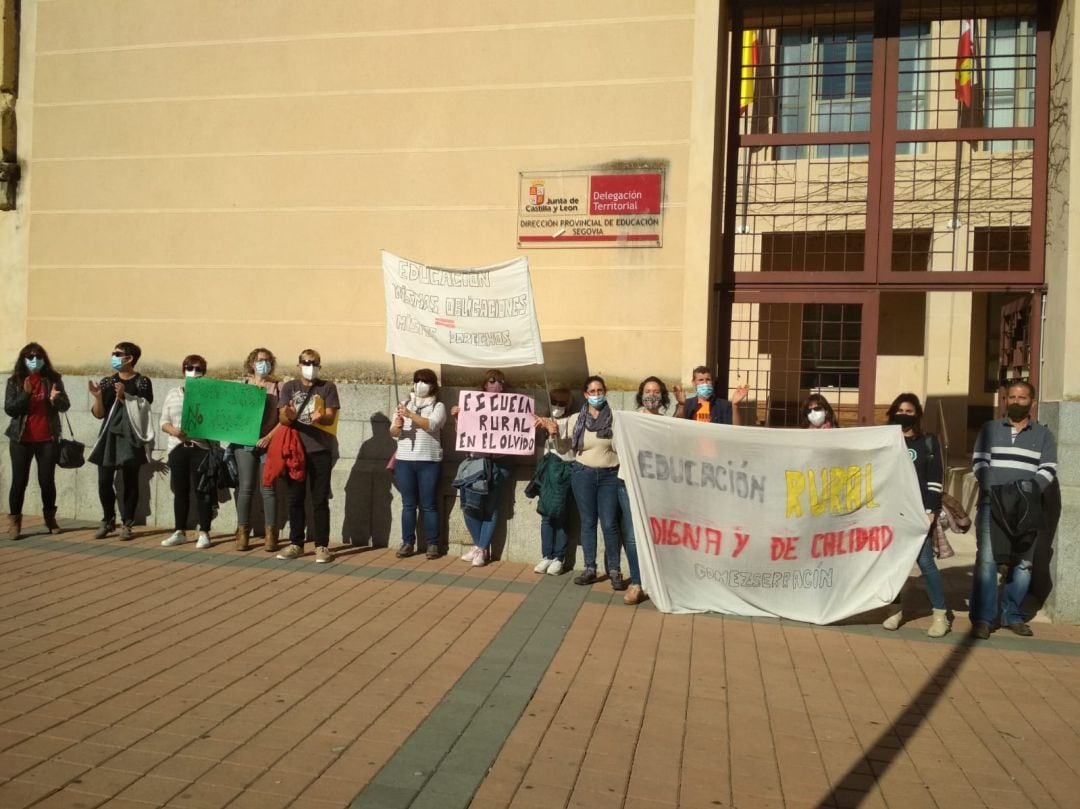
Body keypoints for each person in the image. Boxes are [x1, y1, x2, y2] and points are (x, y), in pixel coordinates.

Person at [969, 381, 1058, 639]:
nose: (1017, 402)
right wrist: (998, 491)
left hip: (1027, 509)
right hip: (991, 505)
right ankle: (983, 620)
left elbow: (1048, 468)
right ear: (1005, 401)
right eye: (1012, 397)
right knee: (987, 561)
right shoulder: (990, 429)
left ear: (1032, 402)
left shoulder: (1043, 435)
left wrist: (1025, 493)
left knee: (1023, 565)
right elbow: (979, 462)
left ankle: (1011, 614)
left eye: (1022, 398)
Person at [880, 393, 948, 637]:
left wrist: (930, 511)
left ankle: (940, 614)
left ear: (917, 414)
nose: (904, 415)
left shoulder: (928, 442)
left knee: (926, 563)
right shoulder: (884, 440)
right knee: (891, 564)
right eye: (900, 410)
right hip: (889, 511)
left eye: (909, 411)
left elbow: (934, 479)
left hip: (919, 513)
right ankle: (895, 610)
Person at [275, 349, 341, 564]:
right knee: (295, 498)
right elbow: (283, 418)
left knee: (320, 499)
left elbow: (331, 417)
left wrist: (321, 418)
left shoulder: (327, 387)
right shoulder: (289, 387)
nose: (310, 366)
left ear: (319, 366)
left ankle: (322, 546)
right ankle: (296, 543)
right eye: (306, 362)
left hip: (320, 450)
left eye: (314, 363)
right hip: (295, 451)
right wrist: (289, 415)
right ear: (299, 364)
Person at [567, 375, 629, 591]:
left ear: (605, 392)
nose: (596, 395)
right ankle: (589, 568)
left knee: (610, 523)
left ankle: (614, 570)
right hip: (583, 473)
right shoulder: (577, 419)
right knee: (588, 521)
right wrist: (553, 432)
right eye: (592, 392)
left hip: (610, 476)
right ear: (585, 394)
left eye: (599, 391)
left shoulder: (615, 419)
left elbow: (622, 446)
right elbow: (563, 445)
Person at [4, 343, 71, 540]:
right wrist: (25, 394)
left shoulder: (53, 379)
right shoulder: (15, 380)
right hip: (21, 439)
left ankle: (50, 519)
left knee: (46, 481)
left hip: (47, 438)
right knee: (19, 481)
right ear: (23, 359)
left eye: (38, 356)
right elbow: (10, 409)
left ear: (44, 358)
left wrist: (55, 400)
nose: (35, 360)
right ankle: (15, 523)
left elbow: (65, 405)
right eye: (30, 356)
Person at [88, 341, 154, 540]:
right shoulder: (108, 381)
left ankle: (127, 523)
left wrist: (125, 396)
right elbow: (99, 414)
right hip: (109, 436)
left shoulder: (142, 381)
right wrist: (98, 397)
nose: (114, 357)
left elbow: (145, 409)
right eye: (113, 353)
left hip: (130, 437)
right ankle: (108, 519)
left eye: (118, 354)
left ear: (130, 358)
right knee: (104, 480)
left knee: (130, 481)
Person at [452, 369, 514, 568]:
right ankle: (480, 546)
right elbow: (462, 433)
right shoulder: (471, 404)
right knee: (469, 506)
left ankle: (480, 548)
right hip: (475, 463)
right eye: (492, 381)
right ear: (484, 384)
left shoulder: (511, 407)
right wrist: (457, 416)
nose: (496, 385)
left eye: (499, 381)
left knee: (491, 507)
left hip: (499, 464)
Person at [159, 356, 216, 549]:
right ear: (183, 370)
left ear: (204, 371)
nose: (193, 371)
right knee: (180, 490)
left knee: (203, 491)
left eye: (198, 368)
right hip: (178, 448)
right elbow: (163, 421)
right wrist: (173, 430)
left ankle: (204, 532)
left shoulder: (210, 395)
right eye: (189, 367)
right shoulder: (173, 393)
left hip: (200, 448)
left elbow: (218, 422)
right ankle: (179, 531)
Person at [390, 368, 447, 560]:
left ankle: (432, 543)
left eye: (425, 381)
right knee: (408, 504)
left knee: (429, 504)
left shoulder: (438, 406)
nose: (421, 384)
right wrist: (397, 426)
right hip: (405, 460)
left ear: (432, 385)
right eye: (417, 380)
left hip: (429, 461)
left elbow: (432, 425)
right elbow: (393, 433)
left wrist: (411, 415)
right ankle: (407, 542)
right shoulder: (403, 404)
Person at [233, 348, 284, 552]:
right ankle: (242, 533)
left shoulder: (279, 387)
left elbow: (284, 418)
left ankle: (271, 535)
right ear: (252, 363)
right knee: (245, 488)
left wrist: (268, 437)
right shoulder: (243, 386)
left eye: (267, 360)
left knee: (268, 488)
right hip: (244, 443)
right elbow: (232, 416)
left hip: (268, 444)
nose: (263, 364)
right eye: (260, 360)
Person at [532, 387, 574, 576]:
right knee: (546, 515)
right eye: (554, 402)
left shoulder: (570, 421)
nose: (557, 407)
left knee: (561, 515)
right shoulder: (544, 419)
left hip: (563, 471)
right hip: (547, 473)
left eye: (562, 403)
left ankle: (559, 557)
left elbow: (565, 449)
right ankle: (547, 555)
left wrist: (554, 432)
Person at [674, 366, 747, 425]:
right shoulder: (686, 405)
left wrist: (735, 405)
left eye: (708, 379)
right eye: (701, 380)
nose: (705, 383)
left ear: (712, 382)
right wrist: (681, 405)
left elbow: (736, 429)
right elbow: (676, 427)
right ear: (693, 383)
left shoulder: (724, 406)